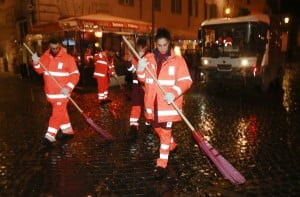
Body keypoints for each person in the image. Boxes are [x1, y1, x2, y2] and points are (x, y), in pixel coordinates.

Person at [136, 27, 193, 179]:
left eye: (165, 45)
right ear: (155, 43)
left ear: (169, 43)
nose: (162, 48)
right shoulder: (148, 58)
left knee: (165, 134)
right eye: (159, 45)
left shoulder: (178, 61)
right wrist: (140, 69)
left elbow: (186, 80)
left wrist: (174, 92)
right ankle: (172, 144)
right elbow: (143, 79)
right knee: (156, 127)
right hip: (151, 104)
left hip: (168, 106)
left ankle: (161, 164)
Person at [31, 38, 80, 145]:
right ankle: (68, 131)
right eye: (53, 48)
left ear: (60, 46)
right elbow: (39, 70)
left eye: (57, 48)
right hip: (50, 92)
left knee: (56, 114)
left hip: (62, 93)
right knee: (61, 112)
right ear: (49, 47)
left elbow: (75, 75)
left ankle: (50, 136)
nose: (55, 50)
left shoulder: (68, 59)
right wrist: (35, 62)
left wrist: (68, 87)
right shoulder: (45, 57)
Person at [126, 37, 150, 134]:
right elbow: (130, 70)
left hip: (146, 87)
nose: (140, 50)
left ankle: (149, 123)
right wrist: (129, 61)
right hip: (137, 87)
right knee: (136, 106)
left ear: (145, 48)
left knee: (147, 106)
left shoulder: (149, 57)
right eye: (139, 48)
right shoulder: (135, 57)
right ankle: (133, 126)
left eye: (142, 48)